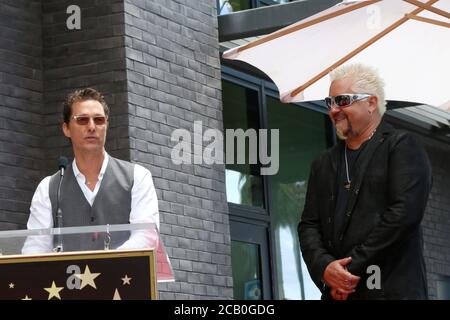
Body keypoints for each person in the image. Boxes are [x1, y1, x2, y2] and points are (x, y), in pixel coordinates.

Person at [298, 63, 432, 300]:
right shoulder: (323, 163)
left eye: (342, 101)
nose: (333, 110)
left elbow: (403, 216)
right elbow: (309, 225)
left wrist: (348, 271)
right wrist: (325, 269)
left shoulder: (401, 146)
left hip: (390, 292)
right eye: (330, 103)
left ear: (371, 103)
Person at [22, 88, 159, 253]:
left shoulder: (138, 177)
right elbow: (34, 250)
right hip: (68, 279)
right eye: (82, 120)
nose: (92, 127)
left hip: (124, 277)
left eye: (99, 120)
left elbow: (147, 237)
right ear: (66, 128)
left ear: (107, 125)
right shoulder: (48, 188)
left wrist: (103, 264)